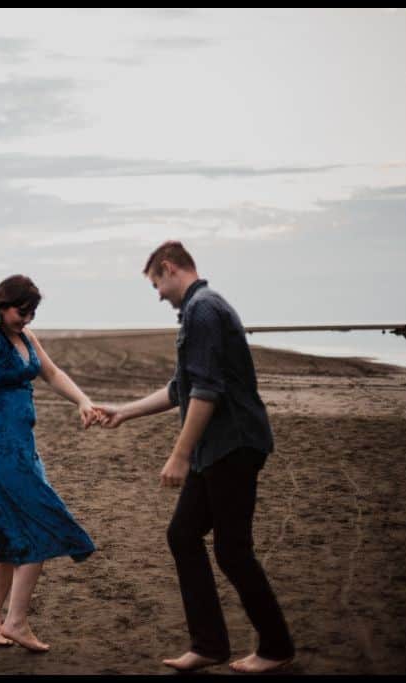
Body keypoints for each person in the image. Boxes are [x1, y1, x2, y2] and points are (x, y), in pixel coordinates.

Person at [95, 240, 295, 673]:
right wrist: (123, 412)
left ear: (169, 268)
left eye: (156, 284)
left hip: (234, 445)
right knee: (184, 535)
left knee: (233, 550)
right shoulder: (199, 310)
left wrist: (179, 455)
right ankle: (209, 645)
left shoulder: (204, 309)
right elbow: (180, 388)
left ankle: (276, 647)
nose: (159, 294)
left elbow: (206, 391)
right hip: (219, 448)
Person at [0, 220, 100, 652]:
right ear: (2, 306)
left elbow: (51, 372)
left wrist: (82, 401)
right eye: (22, 311)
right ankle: (16, 621)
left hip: (22, 452)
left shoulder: (25, 337)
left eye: (33, 312)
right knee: (37, 530)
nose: (28, 318)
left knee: (4, 537)